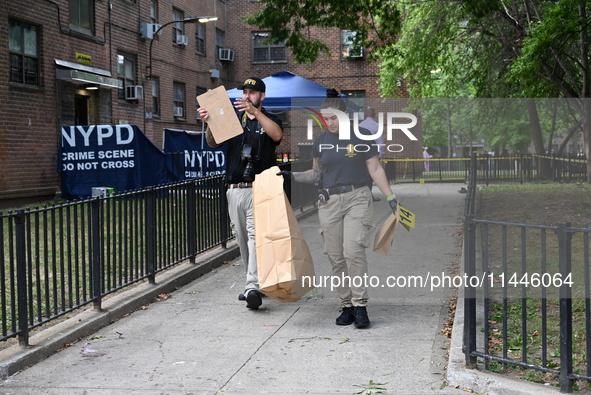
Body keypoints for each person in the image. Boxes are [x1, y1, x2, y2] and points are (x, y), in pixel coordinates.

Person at [277, 89, 398, 328]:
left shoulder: (362, 135)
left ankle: (360, 305)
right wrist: (291, 175)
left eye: (333, 117)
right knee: (335, 255)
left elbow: (375, 169)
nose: (329, 122)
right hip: (329, 202)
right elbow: (316, 174)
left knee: (353, 251)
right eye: (326, 118)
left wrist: (390, 197)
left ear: (344, 115)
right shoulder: (321, 140)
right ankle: (347, 305)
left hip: (357, 197)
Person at [197, 77, 283, 310]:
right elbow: (213, 143)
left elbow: (276, 136)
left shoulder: (271, 119)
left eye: (252, 93)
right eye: (244, 92)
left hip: (260, 188)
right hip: (234, 189)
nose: (247, 96)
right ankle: (254, 283)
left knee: (256, 237)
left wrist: (257, 113)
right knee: (242, 239)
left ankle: (251, 285)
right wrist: (209, 122)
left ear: (261, 97)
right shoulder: (234, 120)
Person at [359, 107, 384, 201]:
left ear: (365, 115)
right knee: (370, 175)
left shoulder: (359, 125)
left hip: (360, 153)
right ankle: (368, 195)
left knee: (362, 174)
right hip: (372, 153)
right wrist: (380, 155)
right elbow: (380, 142)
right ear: (374, 115)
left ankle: (362, 196)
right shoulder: (377, 126)